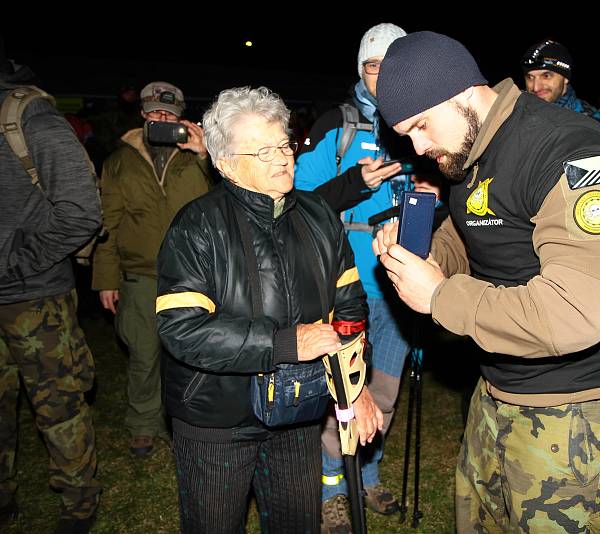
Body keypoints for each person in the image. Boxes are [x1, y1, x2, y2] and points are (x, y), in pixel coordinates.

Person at [373, 31, 600, 532]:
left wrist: (438, 295)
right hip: (498, 388)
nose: (417, 145)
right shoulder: (472, 157)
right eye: (406, 134)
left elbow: (573, 314)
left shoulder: (570, 153)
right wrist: (421, 256)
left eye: (421, 126)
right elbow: (466, 237)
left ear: (460, 92)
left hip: (573, 409)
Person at [155, 86, 383, 533]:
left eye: (283, 144)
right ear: (224, 163)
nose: (282, 158)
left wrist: (352, 381)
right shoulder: (197, 226)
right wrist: (282, 342)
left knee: (298, 523)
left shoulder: (318, 215)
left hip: (299, 411)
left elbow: (350, 308)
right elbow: (182, 328)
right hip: (216, 418)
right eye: (263, 151)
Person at [293, 22, 411, 530]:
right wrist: (355, 182)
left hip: (400, 287)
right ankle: (332, 488)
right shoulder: (334, 126)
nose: (381, 77)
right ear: (360, 70)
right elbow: (297, 203)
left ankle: (368, 475)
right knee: (342, 391)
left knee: (382, 390)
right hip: (344, 286)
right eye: (371, 66)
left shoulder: (420, 125)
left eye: (393, 66)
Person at [0, 53, 102, 533]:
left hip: (34, 296)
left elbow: (82, 212)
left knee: (57, 406)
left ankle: (78, 503)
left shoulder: (28, 116)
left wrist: (14, 260)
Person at [91, 81, 211, 457]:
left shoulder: (198, 158)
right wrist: (106, 280)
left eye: (170, 114)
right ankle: (143, 423)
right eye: (155, 112)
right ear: (142, 114)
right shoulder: (118, 161)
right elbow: (107, 224)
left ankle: (194, 423)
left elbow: (225, 202)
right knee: (143, 353)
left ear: (182, 118)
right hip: (139, 275)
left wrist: (207, 154)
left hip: (191, 275)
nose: (162, 119)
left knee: (193, 355)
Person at [519, 39, 600, 119]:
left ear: (565, 78)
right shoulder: (517, 113)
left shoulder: (587, 119)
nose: (536, 87)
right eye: (530, 77)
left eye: (546, 76)